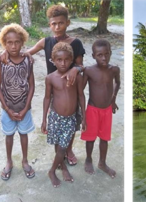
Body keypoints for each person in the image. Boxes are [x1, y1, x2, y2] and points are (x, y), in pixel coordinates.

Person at [1, 4, 86, 166]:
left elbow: (81, 65)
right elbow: (24, 53)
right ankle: (59, 150)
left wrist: (76, 69)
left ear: (67, 23)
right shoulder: (46, 41)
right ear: (49, 25)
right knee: (57, 119)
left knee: (72, 119)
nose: (57, 27)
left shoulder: (75, 43)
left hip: (71, 88)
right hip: (53, 88)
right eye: (53, 23)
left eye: (61, 23)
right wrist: (5, 51)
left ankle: (68, 149)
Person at [41, 42, 86, 188]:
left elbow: (81, 96)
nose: (63, 63)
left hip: (70, 118)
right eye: (59, 60)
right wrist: (43, 120)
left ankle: (52, 171)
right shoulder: (50, 78)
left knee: (62, 147)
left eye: (67, 59)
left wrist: (84, 117)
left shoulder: (76, 77)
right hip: (55, 117)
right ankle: (63, 167)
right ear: (53, 60)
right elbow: (47, 98)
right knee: (58, 145)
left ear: (71, 60)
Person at [0, 23, 35, 181]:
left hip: (24, 109)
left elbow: (32, 84)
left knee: (23, 134)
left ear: (22, 42)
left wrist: (26, 107)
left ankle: (25, 160)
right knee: (9, 136)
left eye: (17, 42)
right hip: (7, 108)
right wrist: (7, 109)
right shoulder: (2, 62)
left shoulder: (28, 61)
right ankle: (9, 161)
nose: (13, 46)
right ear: (4, 43)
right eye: (9, 42)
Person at [81, 39, 120, 178]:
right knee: (90, 138)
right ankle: (88, 159)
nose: (104, 58)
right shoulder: (89, 71)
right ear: (93, 56)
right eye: (99, 55)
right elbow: (81, 92)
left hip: (107, 110)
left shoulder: (114, 69)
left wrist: (113, 99)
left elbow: (118, 83)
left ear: (110, 53)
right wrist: (83, 115)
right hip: (92, 109)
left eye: (107, 54)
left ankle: (102, 163)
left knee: (104, 138)